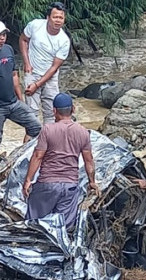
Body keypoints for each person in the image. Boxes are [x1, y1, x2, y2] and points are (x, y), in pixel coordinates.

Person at [22, 92, 99, 230]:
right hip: (70, 186)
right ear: (73, 109)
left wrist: (28, 180)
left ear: (54, 111)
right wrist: (92, 182)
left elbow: (38, 156)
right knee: (64, 229)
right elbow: (89, 161)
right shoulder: (82, 132)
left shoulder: (47, 129)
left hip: (47, 185)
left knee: (34, 225)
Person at [0, 20, 42, 161]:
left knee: (35, 126)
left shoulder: (9, 49)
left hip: (13, 102)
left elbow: (14, 75)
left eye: (4, 34)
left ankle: (24, 157)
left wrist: (20, 98)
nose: (2, 37)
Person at [19, 2, 71, 135]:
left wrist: (37, 84)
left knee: (51, 113)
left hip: (50, 77)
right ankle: (30, 144)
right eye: (55, 17)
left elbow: (54, 67)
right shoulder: (35, 25)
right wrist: (26, 63)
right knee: (31, 113)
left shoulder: (64, 40)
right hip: (32, 72)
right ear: (48, 17)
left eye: (61, 18)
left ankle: (48, 143)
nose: (58, 20)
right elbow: (23, 40)